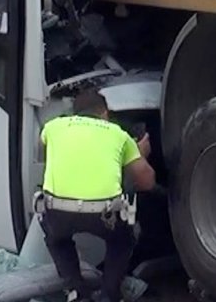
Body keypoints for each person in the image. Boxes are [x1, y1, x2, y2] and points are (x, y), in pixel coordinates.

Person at [39, 89, 157, 302]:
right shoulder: (118, 134)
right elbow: (147, 182)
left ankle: (75, 291)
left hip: (58, 210)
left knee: (57, 238)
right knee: (122, 240)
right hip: (104, 214)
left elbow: (49, 148)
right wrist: (138, 153)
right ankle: (109, 295)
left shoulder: (52, 127)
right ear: (104, 113)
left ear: (75, 113)